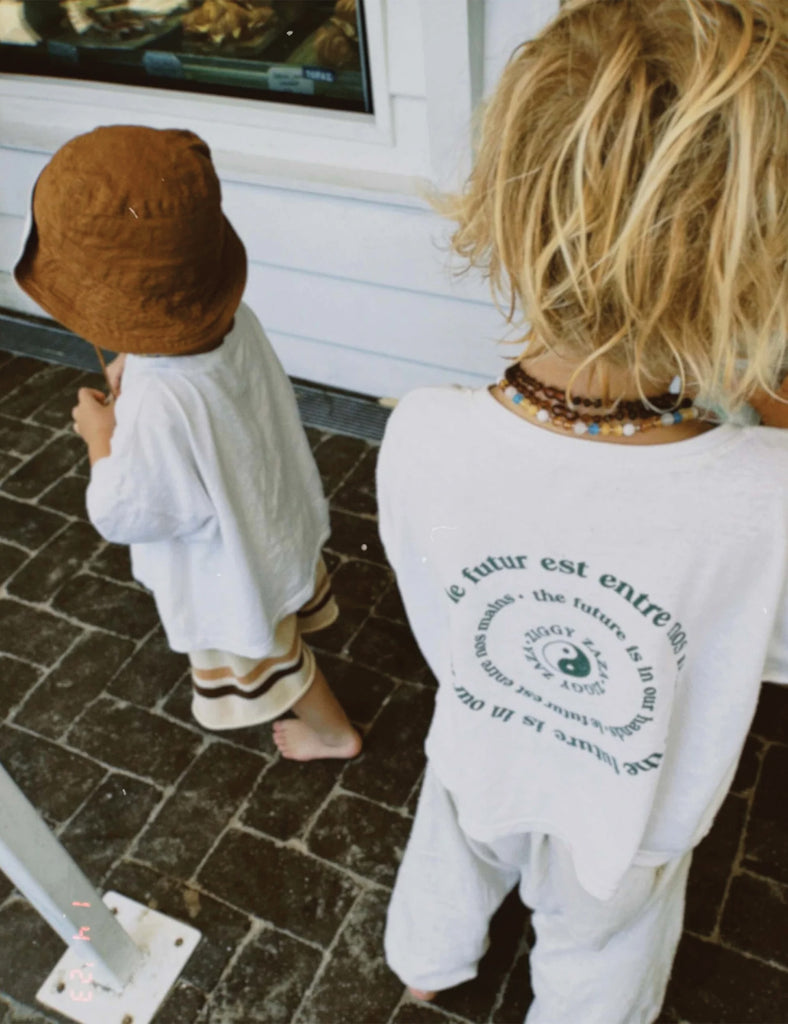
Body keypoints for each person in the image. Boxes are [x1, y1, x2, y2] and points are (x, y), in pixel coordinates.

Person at [377, 1, 788, 1021]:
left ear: (507, 198)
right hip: (631, 800)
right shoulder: (765, 493)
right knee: (603, 933)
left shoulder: (422, 429)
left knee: (456, 830)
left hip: (482, 728)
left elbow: (437, 602)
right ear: (752, 271)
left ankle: (425, 961)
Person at [14, 125, 360, 762]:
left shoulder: (158, 405)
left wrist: (100, 437)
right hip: (269, 514)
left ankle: (334, 734)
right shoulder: (232, 320)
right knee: (281, 607)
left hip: (231, 562)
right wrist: (137, 362)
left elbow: (126, 512)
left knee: (265, 648)